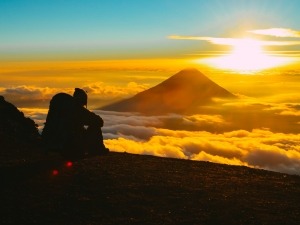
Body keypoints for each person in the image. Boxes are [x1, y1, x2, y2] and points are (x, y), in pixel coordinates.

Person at [42, 88, 109, 160]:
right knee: (95, 128)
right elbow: (98, 121)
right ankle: (98, 150)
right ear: (82, 101)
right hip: (71, 147)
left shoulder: (61, 107)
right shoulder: (78, 110)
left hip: (50, 143)